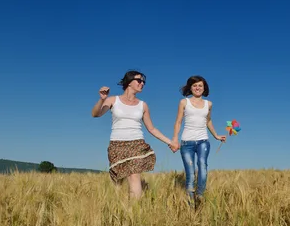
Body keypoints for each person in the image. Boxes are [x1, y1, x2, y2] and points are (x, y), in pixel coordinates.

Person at [91, 70, 174, 199]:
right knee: (118, 183)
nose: (142, 83)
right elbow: (96, 114)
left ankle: (134, 213)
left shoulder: (143, 105)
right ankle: (119, 211)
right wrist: (102, 100)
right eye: (139, 80)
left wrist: (170, 142)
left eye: (143, 81)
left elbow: (151, 129)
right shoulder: (113, 100)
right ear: (129, 82)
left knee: (134, 175)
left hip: (136, 143)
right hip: (117, 144)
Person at [170, 75, 226, 205]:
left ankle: (200, 196)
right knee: (190, 173)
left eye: (200, 85)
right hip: (186, 143)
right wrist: (174, 139)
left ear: (204, 88)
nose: (197, 88)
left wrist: (216, 135)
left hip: (203, 141)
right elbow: (178, 122)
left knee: (202, 166)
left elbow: (208, 121)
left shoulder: (209, 104)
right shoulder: (184, 102)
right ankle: (190, 204)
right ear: (190, 87)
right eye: (194, 85)